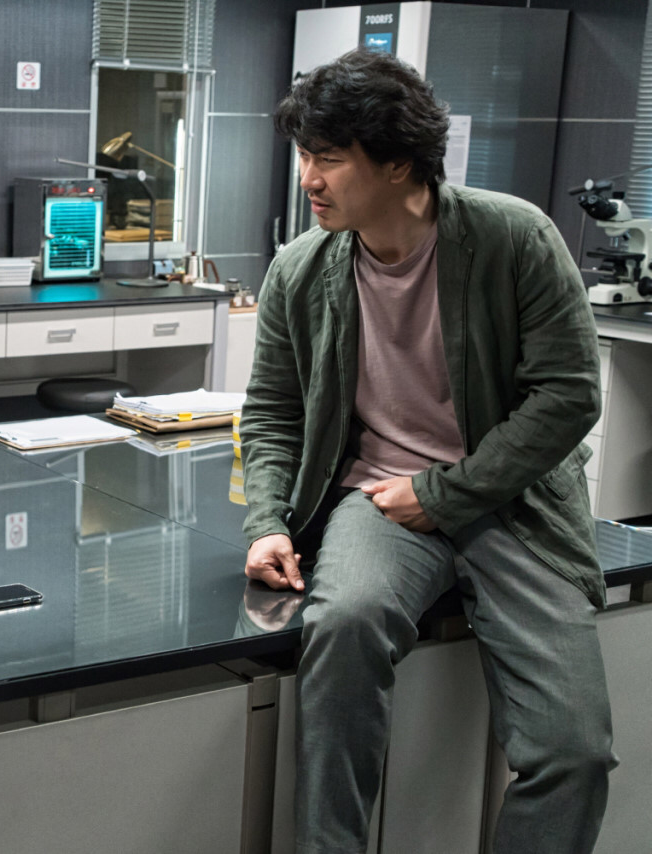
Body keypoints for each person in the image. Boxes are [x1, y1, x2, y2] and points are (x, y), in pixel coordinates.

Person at [240, 48, 617, 854]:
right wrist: (267, 521)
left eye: (329, 158)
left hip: (513, 501)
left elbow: (568, 396)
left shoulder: (514, 236)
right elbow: (271, 412)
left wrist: (445, 494)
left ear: (398, 162)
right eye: (304, 155)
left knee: (574, 751)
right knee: (343, 622)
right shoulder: (301, 270)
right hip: (377, 500)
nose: (309, 179)